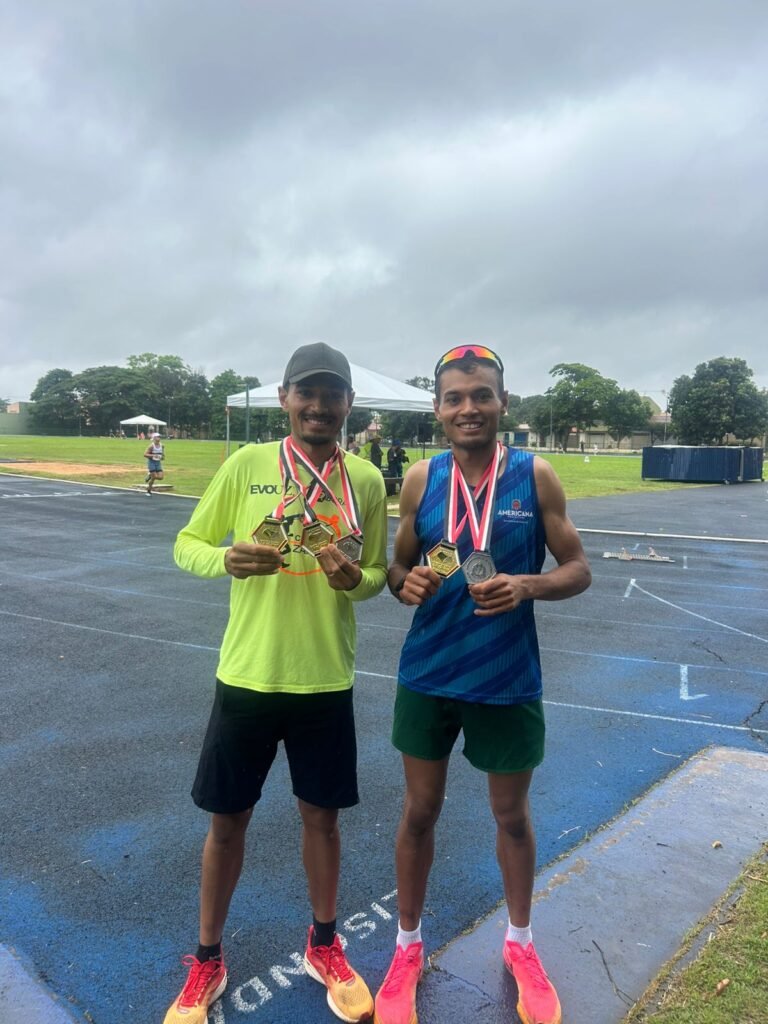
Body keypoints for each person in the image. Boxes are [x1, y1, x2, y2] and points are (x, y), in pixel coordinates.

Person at [165, 342, 388, 1024]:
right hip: (248, 676)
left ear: (349, 404)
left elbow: (375, 573)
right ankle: (207, 958)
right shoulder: (247, 465)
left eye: (333, 394)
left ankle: (324, 943)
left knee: (322, 821)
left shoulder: (368, 482)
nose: (320, 405)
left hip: (324, 680)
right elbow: (187, 543)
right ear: (287, 397)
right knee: (226, 822)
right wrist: (223, 558)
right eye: (307, 392)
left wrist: (359, 582)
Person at [375, 344, 591, 1024]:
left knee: (511, 818)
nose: (468, 407)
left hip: (506, 676)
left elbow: (578, 567)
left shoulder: (536, 475)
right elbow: (397, 568)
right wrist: (401, 581)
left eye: (481, 395)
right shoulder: (419, 479)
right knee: (418, 812)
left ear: (503, 402)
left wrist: (528, 583)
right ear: (438, 409)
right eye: (454, 398)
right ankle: (406, 945)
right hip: (430, 673)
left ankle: (521, 944)